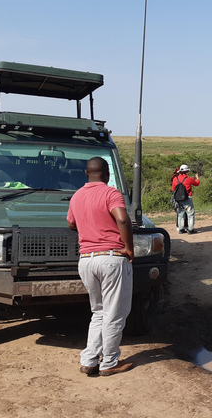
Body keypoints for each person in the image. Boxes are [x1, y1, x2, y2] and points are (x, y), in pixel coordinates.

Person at [67, 157, 135, 377]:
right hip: (111, 258)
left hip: (86, 259)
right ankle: (109, 362)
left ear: (87, 174)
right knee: (115, 313)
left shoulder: (76, 196)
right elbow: (122, 219)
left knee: (98, 312)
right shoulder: (110, 193)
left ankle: (89, 360)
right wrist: (129, 247)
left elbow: (70, 223)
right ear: (107, 174)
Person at [171, 164, 200, 234]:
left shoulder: (175, 179)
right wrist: (197, 178)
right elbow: (197, 184)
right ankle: (190, 229)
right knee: (190, 214)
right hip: (187, 198)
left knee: (180, 214)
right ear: (186, 171)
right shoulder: (188, 178)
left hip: (178, 199)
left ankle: (181, 229)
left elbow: (173, 189)